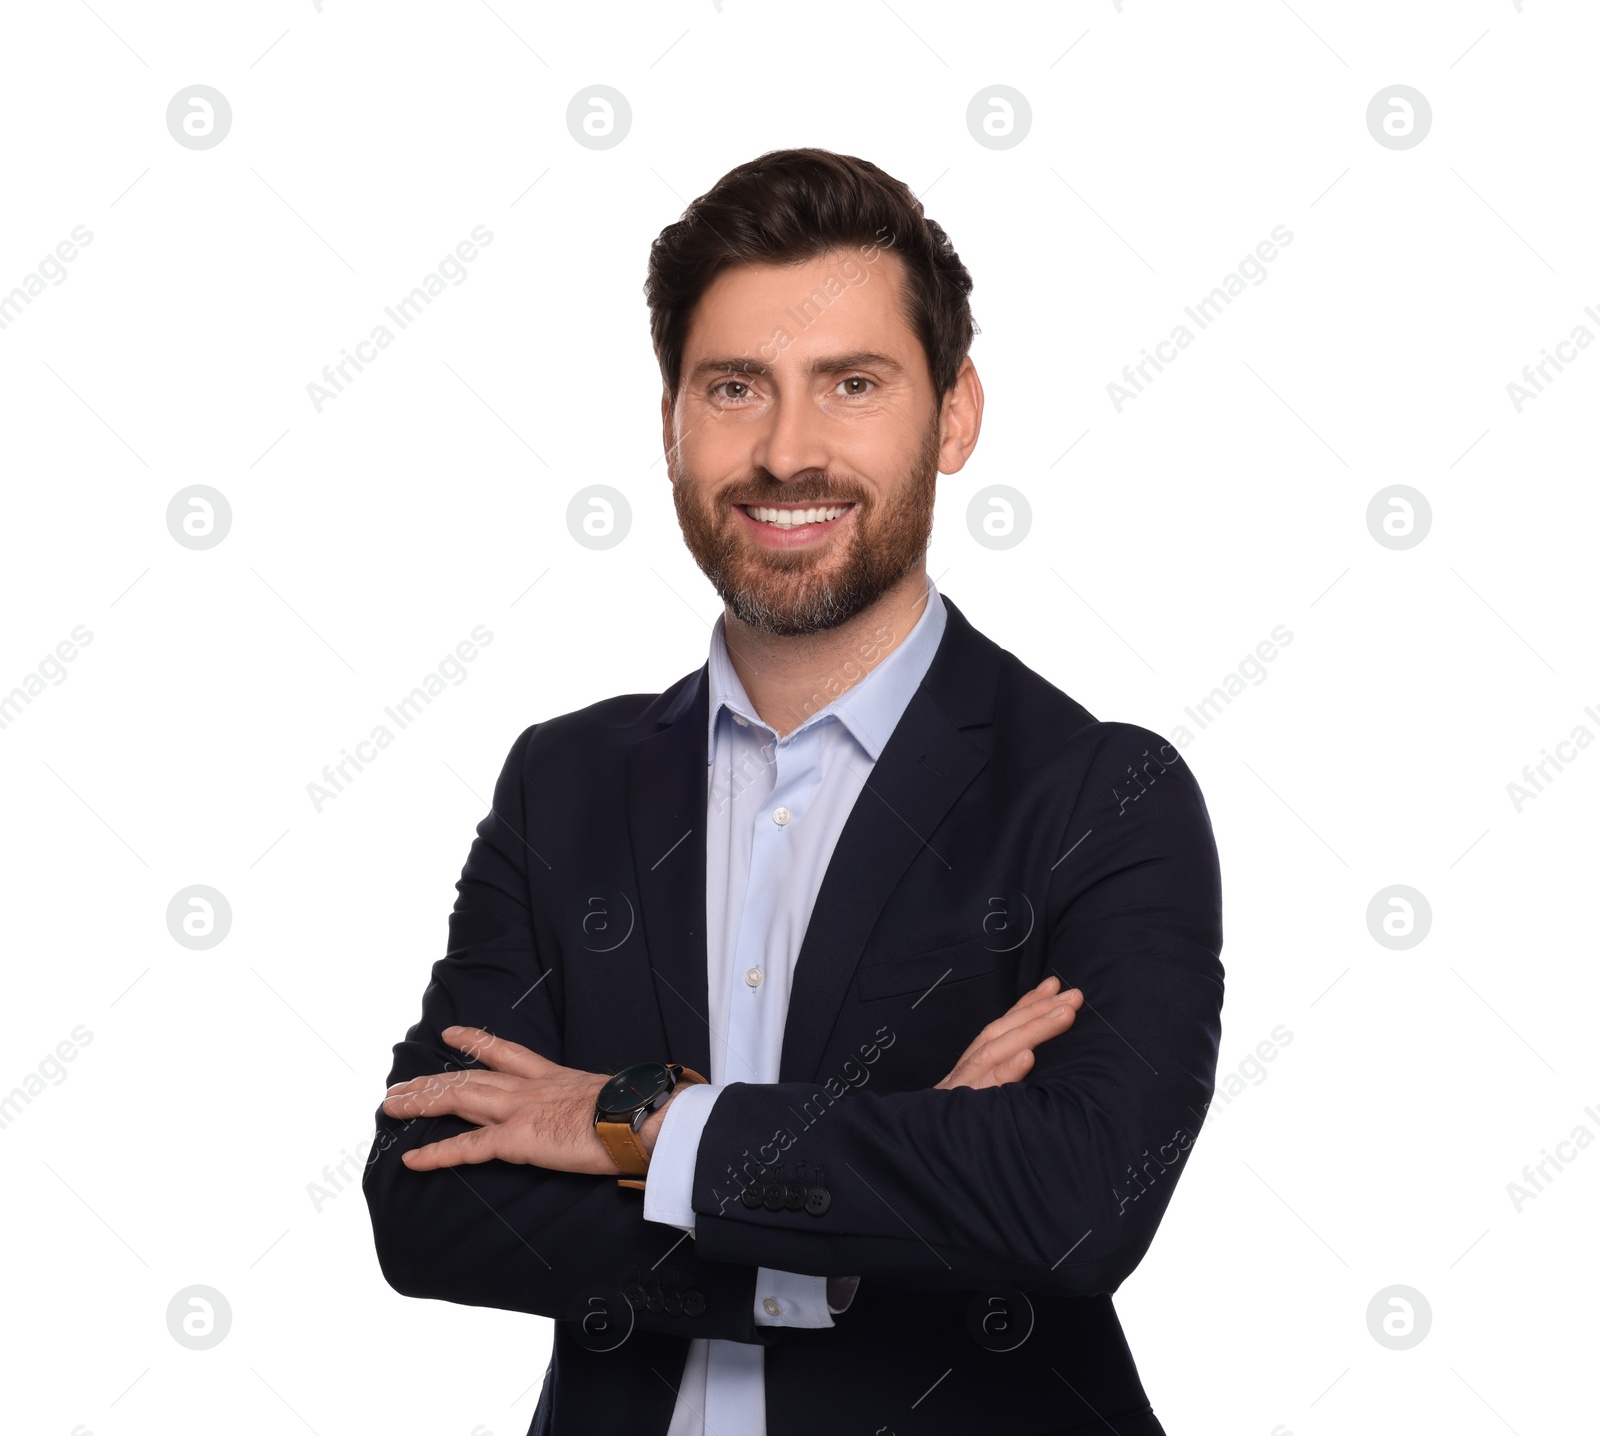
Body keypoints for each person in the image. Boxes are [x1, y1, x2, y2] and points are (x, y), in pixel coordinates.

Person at [364, 147, 1224, 1436]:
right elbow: (430, 1199)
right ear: (670, 422)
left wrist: (628, 1125)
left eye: (854, 384)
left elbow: (1077, 1202)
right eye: (733, 388)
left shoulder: (1104, 792)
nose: (785, 451)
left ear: (954, 414)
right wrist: (895, 1176)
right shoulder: (565, 784)